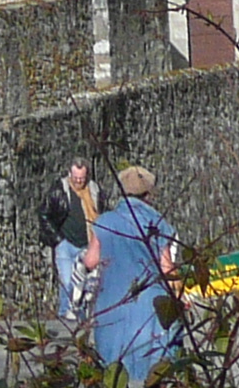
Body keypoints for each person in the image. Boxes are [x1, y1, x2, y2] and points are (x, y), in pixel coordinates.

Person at [87, 165, 182, 385]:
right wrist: (180, 296)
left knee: (114, 371)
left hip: (113, 302)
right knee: (155, 370)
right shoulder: (158, 223)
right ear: (148, 194)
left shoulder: (104, 222)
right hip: (150, 305)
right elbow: (167, 268)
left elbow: (90, 261)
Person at [39, 157, 99, 321]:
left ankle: (80, 318)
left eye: (82, 178)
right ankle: (65, 318)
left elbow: (101, 213)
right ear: (69, 174)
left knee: (86, 286)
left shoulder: (94, 190)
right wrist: (58, 239)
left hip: (87, 243)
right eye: (76, 177)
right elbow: (44, 214)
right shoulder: (59, 190)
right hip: (66, 244)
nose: (79, 181)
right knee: (67, 283)